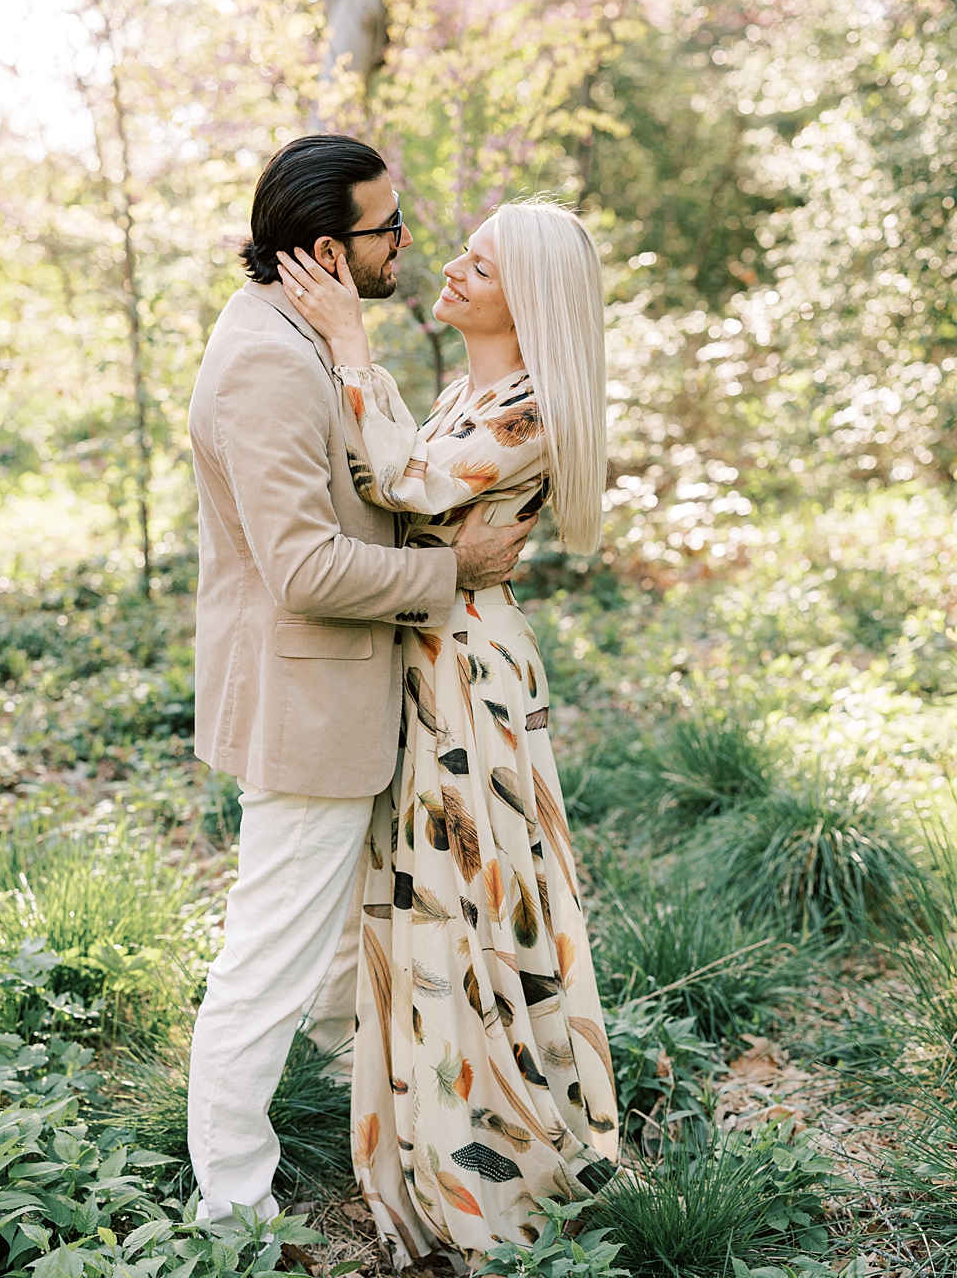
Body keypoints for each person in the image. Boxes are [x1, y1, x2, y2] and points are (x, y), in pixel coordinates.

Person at [184, 134, 536, 1232]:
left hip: (351, 697)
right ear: (330, 248)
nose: (406, 244)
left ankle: (364, 1114)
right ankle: (228, 1204)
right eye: (389, 226)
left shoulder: (309, 340)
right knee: (269, 957)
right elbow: (303, 566)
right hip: (308, 702)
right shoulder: (264, 361)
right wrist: (454, 567)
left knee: (337, 942)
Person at [277, 199, 619, 1265]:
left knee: (464, 884)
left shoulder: (523, 404)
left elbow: (403, 483)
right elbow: (410, 495)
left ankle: (489, 1141)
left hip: (466, 668)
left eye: (484, 260)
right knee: (426, 880)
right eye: (465, 251)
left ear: (530, 295)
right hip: (433, 645)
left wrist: (343, 338)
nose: (455, 266)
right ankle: (437, 1111)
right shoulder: (470, 389)